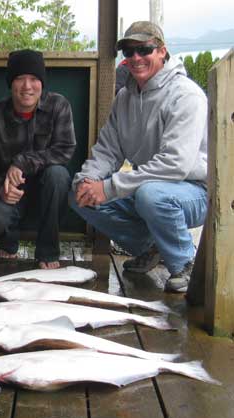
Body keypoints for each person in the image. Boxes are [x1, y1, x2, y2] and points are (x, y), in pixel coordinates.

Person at [70, 21, 208, 293]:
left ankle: (184, 264)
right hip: (151, 188)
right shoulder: (124, 97)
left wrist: (108, 187)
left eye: (144, 49)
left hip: (195, 192)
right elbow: (108, 149)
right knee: (77, 194)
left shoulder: (186, 95)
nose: (135, 57)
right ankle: (152, 247)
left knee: (151, 195)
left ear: (162, 52)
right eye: (128, 51)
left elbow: (175, 165)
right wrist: (88, 179)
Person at [0, 49, 76, 269]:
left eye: (34, 79)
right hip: (10, 195)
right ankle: (8, 244)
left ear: (42, 82)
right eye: (20, 79)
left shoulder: (59, 106)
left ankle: (48, 252)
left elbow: (65, 150)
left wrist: (22, 161)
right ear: (10, 83)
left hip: (47, 193)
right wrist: (0, 188)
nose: (27, 86)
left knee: (58, 175)